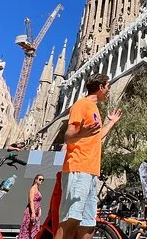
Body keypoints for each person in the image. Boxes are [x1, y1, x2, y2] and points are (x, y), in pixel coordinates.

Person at [55, 73, 122, 239]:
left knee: (88, 226)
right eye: (108, 87)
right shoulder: (81, 105)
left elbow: (96, 137)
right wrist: (81, 132)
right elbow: (68, 136)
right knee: (70, 221)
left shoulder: (94, 109)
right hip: (78, 168)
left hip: (91, 172)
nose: (109, 91)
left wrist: (112, 122)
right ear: (101, 87)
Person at [18, 174, 44, 239]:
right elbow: (31, 201)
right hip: (31, 212)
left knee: (35, 230)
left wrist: (40, 210)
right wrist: (33, 213)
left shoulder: (38, 189)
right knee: (27, 230)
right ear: (35, 179)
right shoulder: (33, 188)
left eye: (42, 180)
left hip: (36, 213)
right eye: (40, 179)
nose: (41, 181)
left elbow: (38, 202)